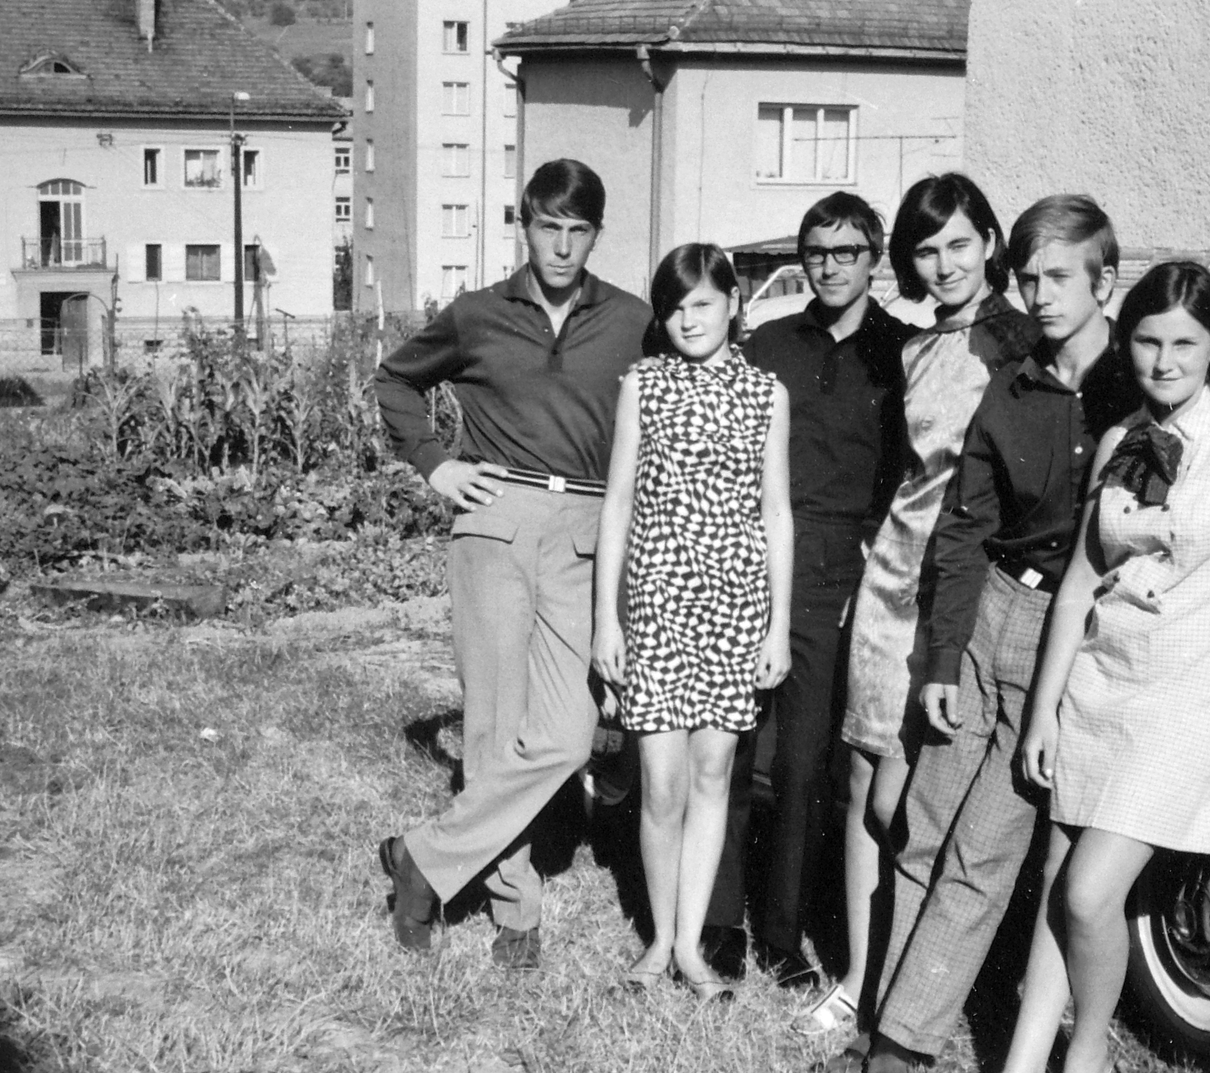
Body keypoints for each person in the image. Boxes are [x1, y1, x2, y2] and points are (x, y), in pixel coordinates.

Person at [1001, 261, 1210, 1073]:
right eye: (1148, 340)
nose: (1164, 361)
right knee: (1060, 879)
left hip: (1193, 702)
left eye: (1184, 343)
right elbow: (1081, 583)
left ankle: (1086, 1050)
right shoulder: (1123, 439)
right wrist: (1045, 709)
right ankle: (1021, 1061)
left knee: (1089, 893)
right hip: (1104, 685)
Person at [842, 196, 1140, 1073]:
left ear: (1104, 280)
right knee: (920, 828)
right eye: (1028, 278)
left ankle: (900, 1051)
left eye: (1059, 277)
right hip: (989, 612)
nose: (1041, 296)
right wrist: (940, 660)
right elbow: (965, 528)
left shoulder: (1135, 383)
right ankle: (879, 1026)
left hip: (1071, 634)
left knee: (983, 852)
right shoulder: (1012, 384)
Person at [372, 159, 652, 963]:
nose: (561, 246)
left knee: (567, 733)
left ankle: (421, 856)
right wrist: (435, 464)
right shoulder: (477, 315)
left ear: (596, 234)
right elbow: (394, 381)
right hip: (495, 520)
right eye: (547, 226)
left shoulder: (634, 321)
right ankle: (515, 911)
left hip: (587, 529)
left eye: (578, 230)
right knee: (494, 725)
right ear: (523, 224)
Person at [828, 174, 1038, 1046]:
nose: (944, 263)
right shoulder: (914, 351)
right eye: (925, 249)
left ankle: (931, 984)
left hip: (965, 587)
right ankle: (860, 979)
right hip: (892, 582)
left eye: (959, 243)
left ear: (989, 241)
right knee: (866, 788)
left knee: (914, 804)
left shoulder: (1023, 345)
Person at [701, 192, 917, 998]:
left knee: (802, 761)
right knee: (727, 745)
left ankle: (783, 932)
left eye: (848, 252)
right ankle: (721, 921)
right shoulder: (767, 344)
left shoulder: (899, 352)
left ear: (875, 258)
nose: (831, 265)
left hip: (838, 565)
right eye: (818, 251)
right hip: (749, 555)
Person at [591, 243, 794, 1001]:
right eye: (674, 308)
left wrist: (774, 627)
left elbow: (777, 512)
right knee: (662, 782)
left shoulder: (766, 394)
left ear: (734, 302)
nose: (688, 320)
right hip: (658, 603)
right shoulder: (643, 385)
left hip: (735, 604)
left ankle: (688, 948)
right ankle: (657, 941)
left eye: (702, 304)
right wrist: (606, 621)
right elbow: (617, 503)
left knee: (714, 776)